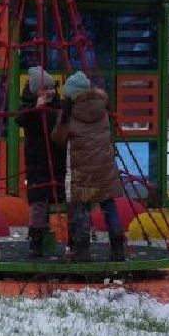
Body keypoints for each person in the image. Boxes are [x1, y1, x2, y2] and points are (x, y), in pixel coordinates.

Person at [51, 71, 127, 261]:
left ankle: (82, 249)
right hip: (104, 166)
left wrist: (63, 117)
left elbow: (58, 139)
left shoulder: (71, 112)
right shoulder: (101, 107)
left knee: (82, 208)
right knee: (109, 204)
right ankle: (118, 246)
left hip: (83, 167)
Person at [15, 66, 68, 258]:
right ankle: (36, 241)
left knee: (64, 198)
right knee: (39, 203)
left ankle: (76, 239)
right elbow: (21, 120)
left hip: (57, 161)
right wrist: (38, 108)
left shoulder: (58, 106)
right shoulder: (28, 106)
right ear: (36, 91)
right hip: (37, 162)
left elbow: (64, 121)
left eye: (52, 88)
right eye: (45, 89)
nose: (51, 92)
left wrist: (48, 109)